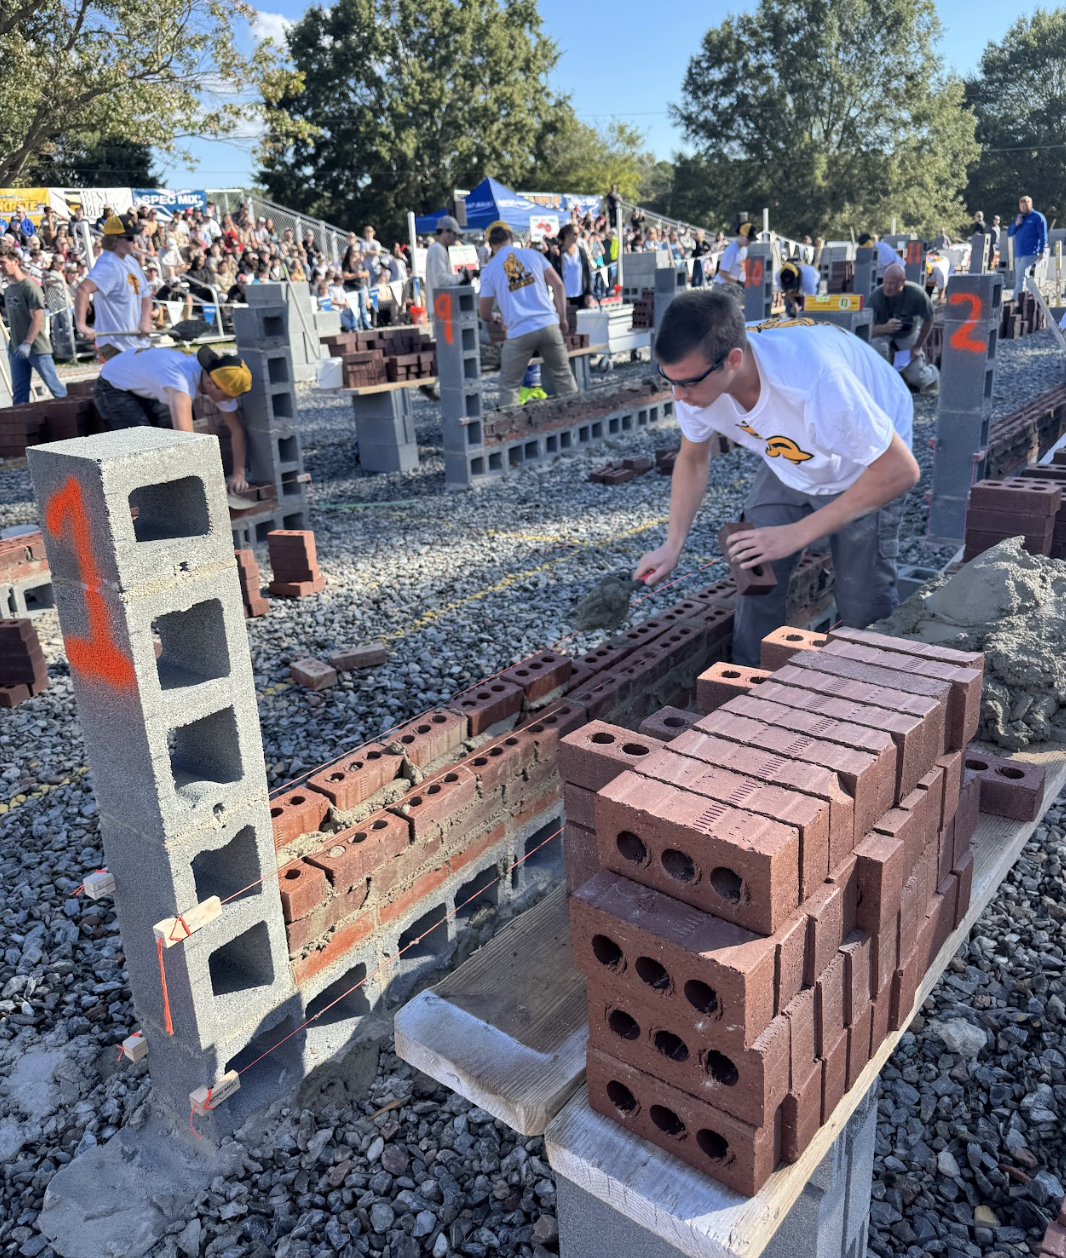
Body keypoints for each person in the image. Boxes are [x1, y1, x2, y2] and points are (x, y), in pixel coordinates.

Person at [634, 288, 919, 666]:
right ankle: (748, 683)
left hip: (866, 461)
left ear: (733, 360)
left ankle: (868, 687)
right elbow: (693, 459)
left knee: (863, 606)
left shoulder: (815, 382)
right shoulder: (695, 377)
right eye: (669, 380)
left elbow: (900, 470)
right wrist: (673, 544)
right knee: (755, 575)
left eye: (687, 383)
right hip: (793, 453)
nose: (677, 396)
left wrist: (796, 534)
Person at [94, 345, 251, 491]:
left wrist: (239, 474)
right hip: (113, 383)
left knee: (166, 437)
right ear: (210, 384)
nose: (229, 401)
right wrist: (209, 486)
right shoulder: (181, 381)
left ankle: (172, 491)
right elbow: (186, 440)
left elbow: (237, 430)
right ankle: (143, 496)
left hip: (146, 382)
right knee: (142, 444)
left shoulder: (216, 374)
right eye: (227, 396)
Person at [478, 220, 577, 408]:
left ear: (490, 244)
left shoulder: (489, 270)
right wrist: (562, 318)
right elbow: (558, 286)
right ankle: (577, 417)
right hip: (548, 325)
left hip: (519, 332)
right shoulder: (533, 255)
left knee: (509, 385)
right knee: (563, 376)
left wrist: (494, 317)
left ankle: (511, 423)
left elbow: (483, 312)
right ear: (511, 237)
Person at [74, 212, 152, 359]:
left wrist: (145, 321)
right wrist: (81, 325)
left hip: (137, 342)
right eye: (130, 238)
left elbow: (146, 296)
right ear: (115, 240)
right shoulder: (109, 265)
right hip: (115, 345)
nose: (134, 241)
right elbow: (82, 290)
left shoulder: (132, 262)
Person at [0, 247, 68, 403]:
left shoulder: (29, 287)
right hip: (16, 348)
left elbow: (38, 318)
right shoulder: (9, 290)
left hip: (36, 347)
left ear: (15, 261)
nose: (0, 267)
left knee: (55, 388)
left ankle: (74, 414)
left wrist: (28, 343)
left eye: (2, 262)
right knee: (19, 395)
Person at [869, 263, 936, 392]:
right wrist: (884, 328)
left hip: (908, 333)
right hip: (882, 333)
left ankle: (932, 375)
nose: (887, 287)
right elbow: (866, 330)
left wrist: (917, 346)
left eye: (892, 284)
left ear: (902, 283)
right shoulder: (876, 296)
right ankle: (885, 383)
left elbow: (929, 319)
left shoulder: (916, 294)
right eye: (885, 282)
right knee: (877, 348)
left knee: (917, 377)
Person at [1007, 195, 1048, 296]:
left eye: (1026, 206)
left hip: (1031, 252)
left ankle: (1014, 300)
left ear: (1031, 204)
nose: (1024, 208)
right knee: (1025, 278)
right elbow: (1009, 233)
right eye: (1022, 206)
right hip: (1019, 254)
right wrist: (1016, 224)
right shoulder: (1019, 218)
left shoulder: (1037, 217)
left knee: (1020, 279)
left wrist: (1041, 251)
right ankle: (1039, 298)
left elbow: (1043, 235)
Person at [552, 223, 593, 315]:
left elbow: (587, 273)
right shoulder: (558, 253)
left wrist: (589, 293)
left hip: (581, 295)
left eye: (578, 234)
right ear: (567, 235)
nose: (577, 236)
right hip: (564, 296)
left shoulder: (581, 251)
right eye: (575, 234)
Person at [426, 214, 462, 306]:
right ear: (446, 232)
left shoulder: (437, 248)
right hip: (440, 306)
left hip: (440, 305)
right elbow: (441, 280)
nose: (455, 238)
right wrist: (461, 277)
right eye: (454, 234)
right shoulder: (437, 249)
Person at [714, 222, 756, 286]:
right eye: (748, 239)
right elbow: (722, 273)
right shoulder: (731, 250)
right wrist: (738, 282)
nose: (749, 242)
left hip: (735, 286)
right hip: (723, 286)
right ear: (741, 235)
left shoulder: (745, 249)